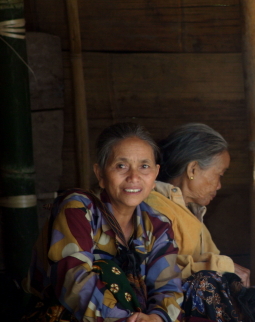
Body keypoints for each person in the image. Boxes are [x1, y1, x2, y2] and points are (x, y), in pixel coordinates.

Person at [23, 123, 183, 322]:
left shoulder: (157, 225)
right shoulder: (78, 209)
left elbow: (168, 286)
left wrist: (157, 318)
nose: (134, 177)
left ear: (156, 174)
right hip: (66, 315)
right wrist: (123, 319)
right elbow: (73, 281)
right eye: (121, 166)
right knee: (106, 270)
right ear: (100, 174)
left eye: (144, 166)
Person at [145, 123, 255, 322]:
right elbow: (161, 269)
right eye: (219, 174)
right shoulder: (155, 207)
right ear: (192, 169)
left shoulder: (187, 212)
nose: (219, 185)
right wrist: (223, 266)